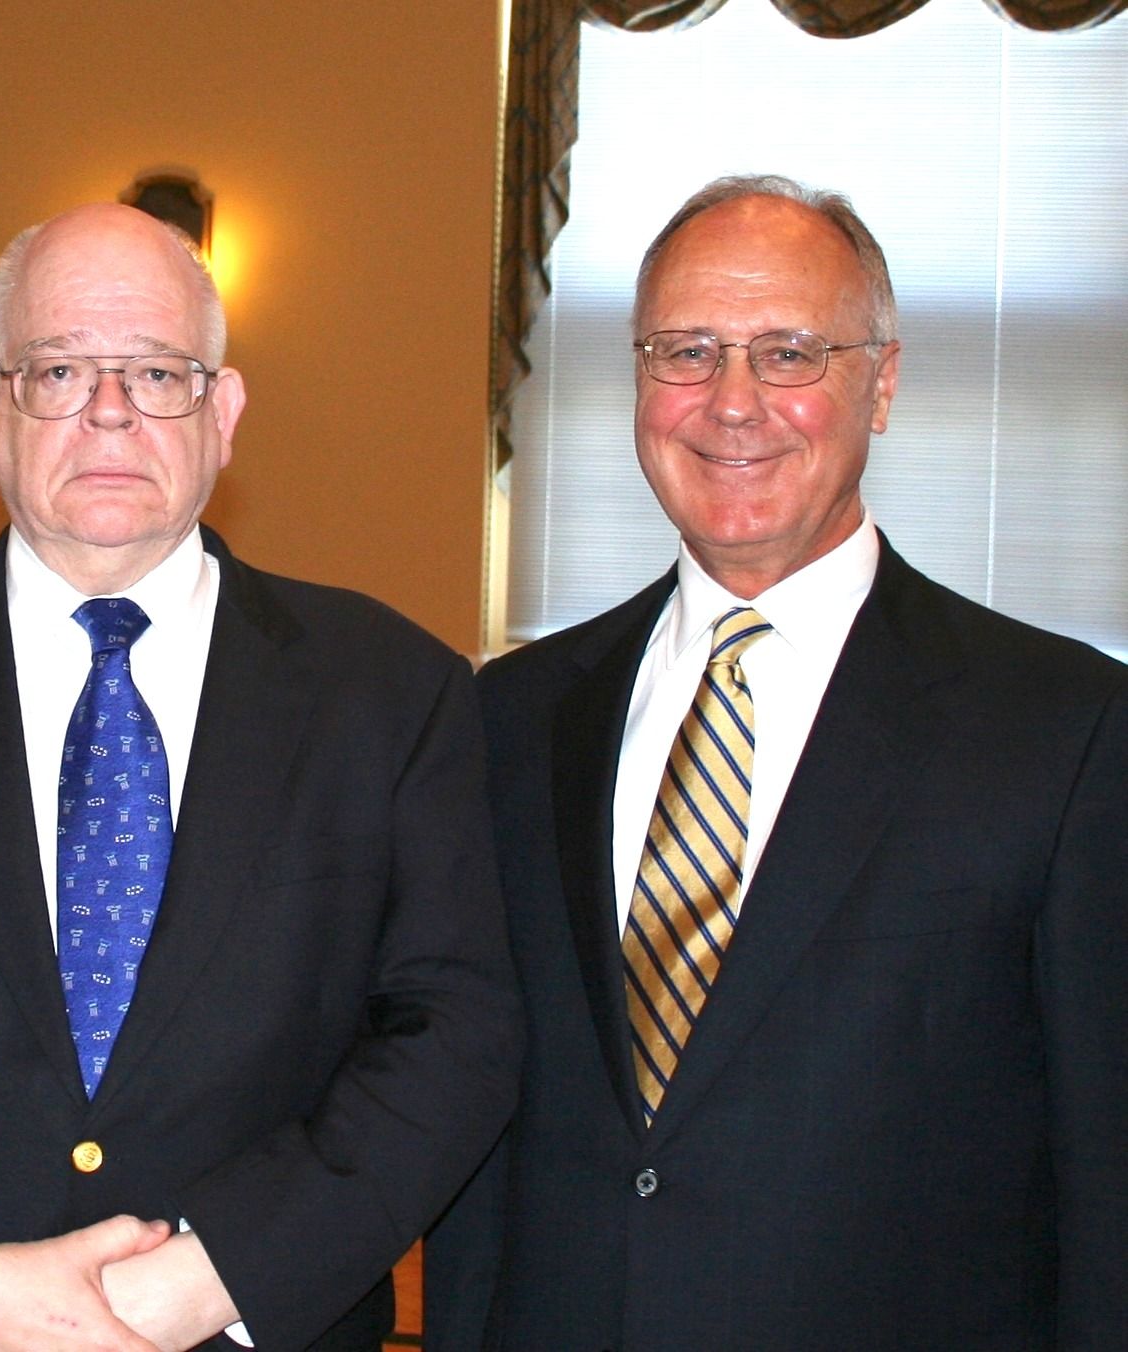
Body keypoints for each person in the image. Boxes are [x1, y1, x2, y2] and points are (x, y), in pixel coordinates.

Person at [0, 202, 520, 1352]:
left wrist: (214, 1273)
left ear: (223, 412)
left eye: (159, 372)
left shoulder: (393, 691)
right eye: (61, 368)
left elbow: (456, 1030)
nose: (112, 411)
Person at [424, 175, 1128, 1350]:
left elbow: (1109, 1175)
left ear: (884, 382)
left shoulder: (1066, 728)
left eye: (790, 352)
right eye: (686, 351)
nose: (731, 402)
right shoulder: (512, 719)